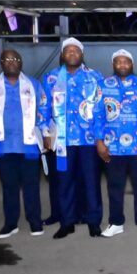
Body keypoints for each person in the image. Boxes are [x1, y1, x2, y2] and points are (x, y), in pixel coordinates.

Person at [0, 49, 50, 238]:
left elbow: (43, 112)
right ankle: (11, 224)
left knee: (31, 186)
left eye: (16, 58)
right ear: (1, 63)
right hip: (3, 146)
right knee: (9, 187)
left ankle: (35, 221)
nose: (12, 62)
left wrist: (46, 134)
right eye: (7, 59)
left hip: (29, 145)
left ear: (21, 62)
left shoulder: (33, 84)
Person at [41, 38, 105, 239]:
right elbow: (44, 108)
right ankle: (67, 222)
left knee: (91, 182)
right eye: (68, 50)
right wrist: (45, 133)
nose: (72, 53)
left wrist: (101, 138)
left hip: (88, 141)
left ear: (82, 54)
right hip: (63, 142)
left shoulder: (95, 77)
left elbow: (101, 110)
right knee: (64, 183)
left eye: (76, 50)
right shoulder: (51, 78)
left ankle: (93, 222)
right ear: (62, 55)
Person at [95, 49, 137, 238]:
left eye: (126, 61)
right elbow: (97, 115)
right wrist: (99, 142)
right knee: (114, 187)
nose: (122, 65)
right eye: (118, 62)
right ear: (113, 65)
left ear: (132, 64)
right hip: (112, 148)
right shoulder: (102, 85)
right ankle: (116, 222)